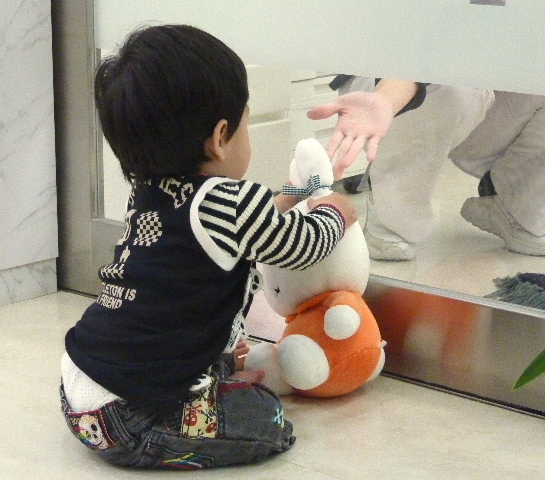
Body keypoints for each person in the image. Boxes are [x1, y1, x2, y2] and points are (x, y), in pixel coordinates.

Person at [60, 24, 358, 470]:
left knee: (190, 340)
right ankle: (203, 404)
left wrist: (298, 192)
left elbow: (256, 223)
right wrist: (333, 211)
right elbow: (300, 244)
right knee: (268, 419)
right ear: (220, 137)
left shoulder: (148, 191)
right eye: (246, 123)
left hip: (81, 388)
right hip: (130, 418)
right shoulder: (228, 201)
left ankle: (205, 386)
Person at [308, 76, 545, 260]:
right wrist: (386, 99)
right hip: (392, 79)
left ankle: (517, 205)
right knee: (454, 88)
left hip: (486, 85)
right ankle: (393, 213)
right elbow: (420, 46)